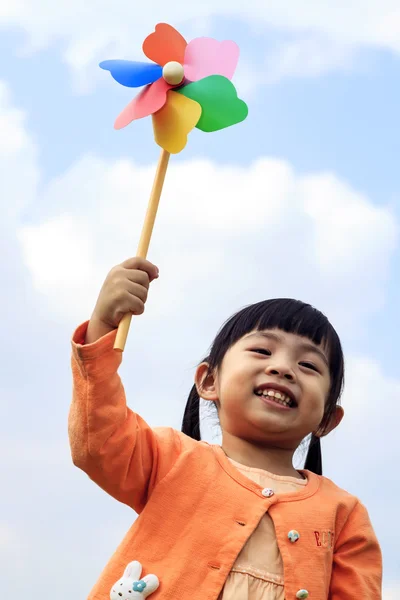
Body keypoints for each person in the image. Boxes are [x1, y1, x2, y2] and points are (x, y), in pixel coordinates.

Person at [69, 257, 382, 600]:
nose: (283, 368)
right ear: (208, 381)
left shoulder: (344, 514)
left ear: (326, 419)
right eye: (262, 350)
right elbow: (98, 442)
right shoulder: (170, 459)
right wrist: (102, 325)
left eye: (308, 364)